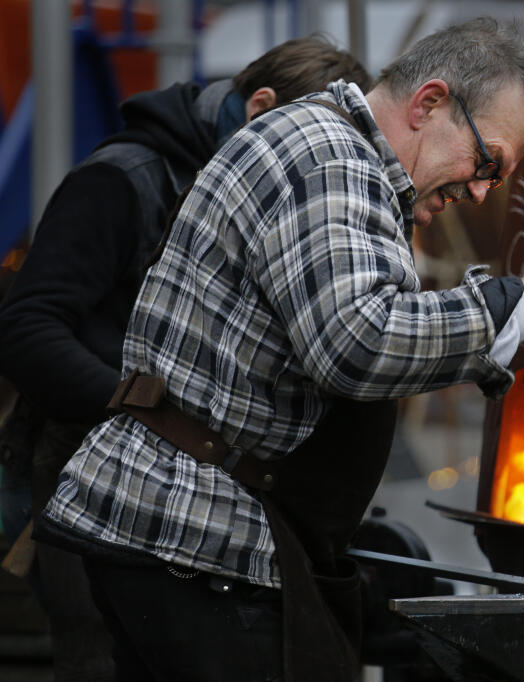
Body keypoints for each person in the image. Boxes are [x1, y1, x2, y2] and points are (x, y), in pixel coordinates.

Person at [36, 17, 524, 682]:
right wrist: (520, 307)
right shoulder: (331, 157)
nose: (480, 190)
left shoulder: (337, 155)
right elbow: (357, 342)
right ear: (430, 103)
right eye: (489, 161)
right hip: (195, 544)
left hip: (192, 543)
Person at [0, 35, 370, 682]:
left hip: (203, 498)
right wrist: (138, 411)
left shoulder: (261, 198)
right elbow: (27, 327)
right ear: (260, 109)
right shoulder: (124, 180)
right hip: (89, 480)